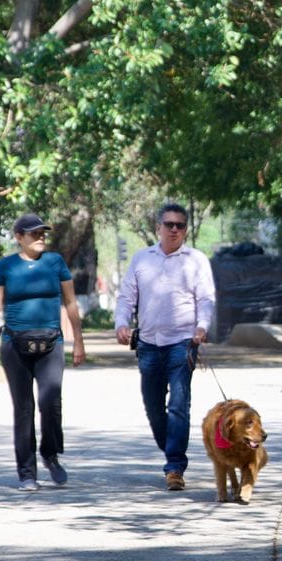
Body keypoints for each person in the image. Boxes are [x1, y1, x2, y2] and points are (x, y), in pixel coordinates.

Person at [0, 213, 86, 491]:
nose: (40, 238)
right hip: (15, 345)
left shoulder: (55, 262)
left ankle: (50, 454)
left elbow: (71, 304)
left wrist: (79, 342)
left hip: (51, 344)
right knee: (24, 409)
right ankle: (27, 472)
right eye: (34, 233)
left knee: (51, 403)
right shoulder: (6, 266)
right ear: (19, 237)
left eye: (42, 233)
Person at [114, 202, 216, 492]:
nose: (174, 229)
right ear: (158, 227)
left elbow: (206, 299)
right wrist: (121, 322)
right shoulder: (141, 259)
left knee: (179, 405)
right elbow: (126, 298)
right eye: (169, 224)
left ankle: (174, 466)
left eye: (180, 225)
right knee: (154, 407)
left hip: (182, 343)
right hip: (147, 343)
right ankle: (171, 445)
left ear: (185, 229)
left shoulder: (196, 260)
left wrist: (202, 326)